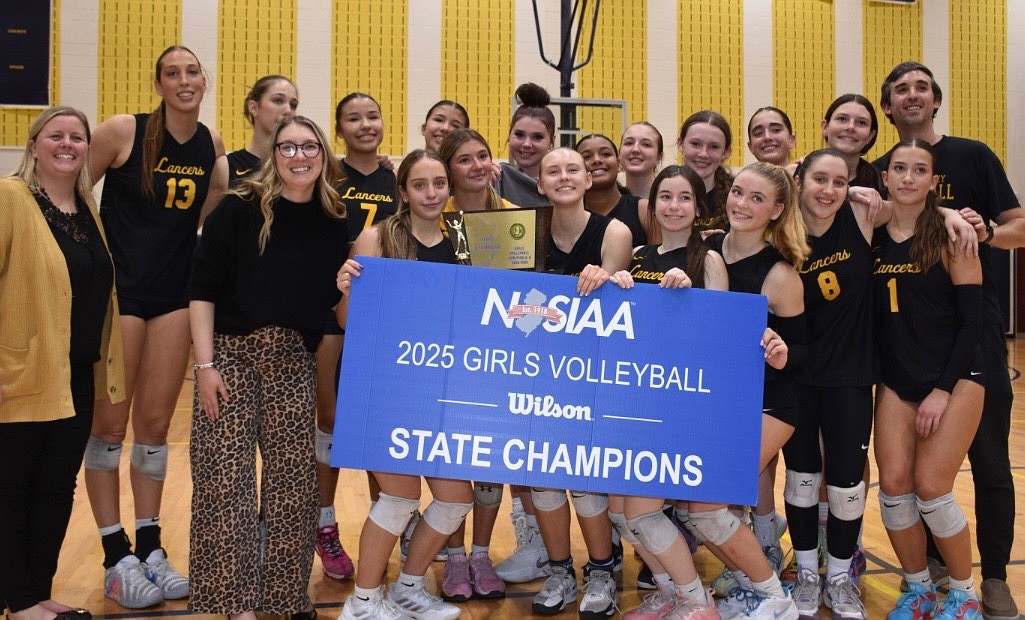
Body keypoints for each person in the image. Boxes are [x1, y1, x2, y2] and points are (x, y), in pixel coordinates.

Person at [874, 61, 1024, 620]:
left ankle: (989, 580)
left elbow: (1020, 226)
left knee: (983, 465)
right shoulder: (877, 187)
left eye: (922, 88)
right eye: (899, 90)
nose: (912, 96)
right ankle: (927, 579)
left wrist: (983, 230)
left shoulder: (975, 156)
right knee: (899, 479)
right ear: (886, 107)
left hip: (971, 340)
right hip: (904, 354)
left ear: (936, 100)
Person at [188, 116, 348, 620]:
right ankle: (236, 605)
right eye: (288, 147)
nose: (299, 156)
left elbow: (330, 307)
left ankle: (283, 598)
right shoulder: (238, 208)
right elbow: (201, 290)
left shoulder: (335, 219)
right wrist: (205, 366)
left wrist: (345, 285)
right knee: (225, 480)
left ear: (323, 154)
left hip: (292, 360)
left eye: (309, 147)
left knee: (294, 486)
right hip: (230, 355)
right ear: (273, 154)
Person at [85, 44, 226, 609]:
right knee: (110, 427)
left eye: (192, 72)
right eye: (172, 73)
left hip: (172, 295)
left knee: (154, 426)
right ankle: (112, 552)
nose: (184, 80)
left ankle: (148, 544)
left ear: (204, 81)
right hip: (121, 294)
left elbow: (215, 201)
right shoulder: (124, 131)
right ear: (159, 82)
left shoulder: (211, 143)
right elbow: (75, 190)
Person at [336, 150, 474, 620]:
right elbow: (345, 320)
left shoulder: (466, 241)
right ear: (403, 191)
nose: (431, 193)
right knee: (398, 498)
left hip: (445, 387)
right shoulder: (377, 237)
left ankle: (409, 588)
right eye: (420, 185)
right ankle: (363, 601)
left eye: (439, 184)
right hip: (387, 385)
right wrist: (347, 287)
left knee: (456, 498)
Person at [0, 106, 124, 620]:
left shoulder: (86, 211)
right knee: (12, 488)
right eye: (56, 135)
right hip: (22, 374)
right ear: (34, 146)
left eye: (77, 136)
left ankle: (35, 590)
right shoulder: (11, 198)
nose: (67, 144)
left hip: (73, 375)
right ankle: (21, 599)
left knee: (54, 487)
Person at [606, 165, 726, 620]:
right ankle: (669, 592)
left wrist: (690, 295)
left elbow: (719, 337)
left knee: (642, 511)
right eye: (666, 197)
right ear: (651, 205)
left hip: (679, 404)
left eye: (684, 198)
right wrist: (615, 284)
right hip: (634, 400)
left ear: (698, 207)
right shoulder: (636, 255)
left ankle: (698, 600)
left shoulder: (707, 259)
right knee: (620, 509)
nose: (674, 207)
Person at [873, 139, 985, 620]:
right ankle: (918, 588)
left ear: (932, 182)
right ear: (885, 177)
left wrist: (943, 390)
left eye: (920, 170)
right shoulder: (869, 232)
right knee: (895, 486)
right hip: (897, 379)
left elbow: (976, 322)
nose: (907, 178)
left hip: (956, 376)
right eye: (899, 168)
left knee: (932, 487)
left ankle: (964, 594)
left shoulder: (951, 235)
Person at [528, 147, 632, 618]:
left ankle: (602, 570)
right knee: (543, 481)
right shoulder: (525, 233)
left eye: (573, 169)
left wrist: (607, 279)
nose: (565, 177)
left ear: (588, 180)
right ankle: (558, 570)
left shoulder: (614, 231)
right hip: (534, 374)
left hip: (591, 377)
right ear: (540, 184)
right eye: (554, 171)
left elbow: (614, 310)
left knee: (586, 479)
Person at [701, 162, 808, 620]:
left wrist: (784, 351)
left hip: (772, 403)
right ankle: (753, 585)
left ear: (777, 210)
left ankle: (772, 597)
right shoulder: (704, 249)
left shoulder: (780, 274)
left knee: (706, 501)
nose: (741, 204)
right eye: (738, 192)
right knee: (701, 503)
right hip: (720, 400)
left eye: (756, 198)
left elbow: (802, 352)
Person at [784, 149, 876, 619]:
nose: (829, 191)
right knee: (801, 482)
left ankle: (840, 577)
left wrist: (951, 213)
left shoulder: (861, 214)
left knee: (845, 485)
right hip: (796, 376)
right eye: (819, 179)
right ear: (799, 180)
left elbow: (916, 205)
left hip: (850, 375)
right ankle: (805, 574)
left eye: (839, 182)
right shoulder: (780, 228)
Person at [311, 92, 399, 583]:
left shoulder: (396, 179)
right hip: (330, 307)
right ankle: (326, 524)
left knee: (372, 423)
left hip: (382, 315)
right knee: (330, 420)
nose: (366, 124)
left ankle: (384, 520)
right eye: (353, 118)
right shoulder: (326, 174)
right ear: (339, 129)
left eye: (373, 115)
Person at [576, 134, 648, 246]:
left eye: (605, 154)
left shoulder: (644, 210)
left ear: (619, 164)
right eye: (586, 157)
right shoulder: (569, 216)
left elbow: (660, 260)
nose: (597, 160)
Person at [226, 75, 298, 186]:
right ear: (254, 108)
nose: (288, 110)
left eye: (293, 105)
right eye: (278, 100)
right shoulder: (229, 166)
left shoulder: (299, 165)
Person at [496, 83, 554, 208]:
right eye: (519, 135)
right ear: (509, 135)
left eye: (537, 137)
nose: (527, 144)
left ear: (552, 141)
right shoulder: (497, 178)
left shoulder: (562, 183)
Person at [677, 111, 733, 231]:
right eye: (695, 144)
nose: (703, 154)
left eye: (714, 147)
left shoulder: (737, 195)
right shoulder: (662, 190)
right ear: (680, 144)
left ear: (726, 152)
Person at [439, 128, 516, 213]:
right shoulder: (436, 217)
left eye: (482, 156)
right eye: (465, 160)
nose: (478, 166)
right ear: (447, 169)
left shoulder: (515, 215)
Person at [821, 94, 883, 193]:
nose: (851, 127)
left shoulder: (881, 183)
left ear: (870, 136)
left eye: (861, 123)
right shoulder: (802, 172)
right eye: (842, 119)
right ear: (825, 127)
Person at [620, 121, 664, 199]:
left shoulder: (670, 201)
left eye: (646, 144)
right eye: (629, 143)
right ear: (619, 152)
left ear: (659, 157)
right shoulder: (608, 203)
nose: (635, 149)